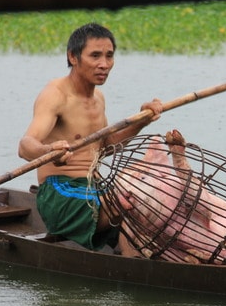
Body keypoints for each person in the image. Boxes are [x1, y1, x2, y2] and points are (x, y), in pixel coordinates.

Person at [18, 22, 163, 250]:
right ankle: (130, 263)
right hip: (59, 193)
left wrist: (141, 121)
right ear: (73, 57)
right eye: (95, 56)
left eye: (109, 56)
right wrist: (49, 152)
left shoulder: (99, 99)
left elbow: (106, 147)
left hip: (93, 187)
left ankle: (133, 260)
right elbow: (25, 147)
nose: (104, 65)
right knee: (130, 199)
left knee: (151, 205)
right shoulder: (55, 95)